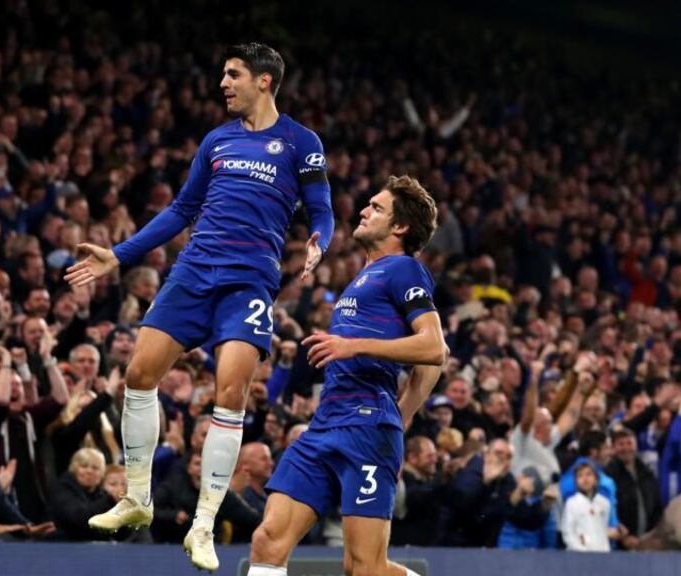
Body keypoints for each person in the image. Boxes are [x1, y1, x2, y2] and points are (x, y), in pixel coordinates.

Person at [68, 42, 335, 570]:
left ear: (264, 80)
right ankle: (137, 498)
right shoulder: (216, 140)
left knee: (230, 392)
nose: (223, 84)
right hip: (193, 272)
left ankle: (204, 524)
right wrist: (119, 256)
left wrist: (318, 241)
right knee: (138, 373)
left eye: (233, 75)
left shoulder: (301, 142)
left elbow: (321, 209)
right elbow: (182, 209)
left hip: (249, 282)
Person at [245, 176, 446, 576]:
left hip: (367, 429)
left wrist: (355, 350)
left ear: (399, 226)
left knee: (364, 569)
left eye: (376, 207)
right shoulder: (364, 276)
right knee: (267, 540)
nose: (364, 211)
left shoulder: (404, 269)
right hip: (324, 425)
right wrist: (403, 413)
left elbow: (434, 349)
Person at [562, 462, 621, 551]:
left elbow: (603, 529)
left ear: (596, 479)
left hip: (601, 552)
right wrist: (581, 550)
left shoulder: (604, 503)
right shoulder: (571, 503)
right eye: (580, 476)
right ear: (576, 481)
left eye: (589, 474)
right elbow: (568, 533)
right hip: (578, 553)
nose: (585, 479)